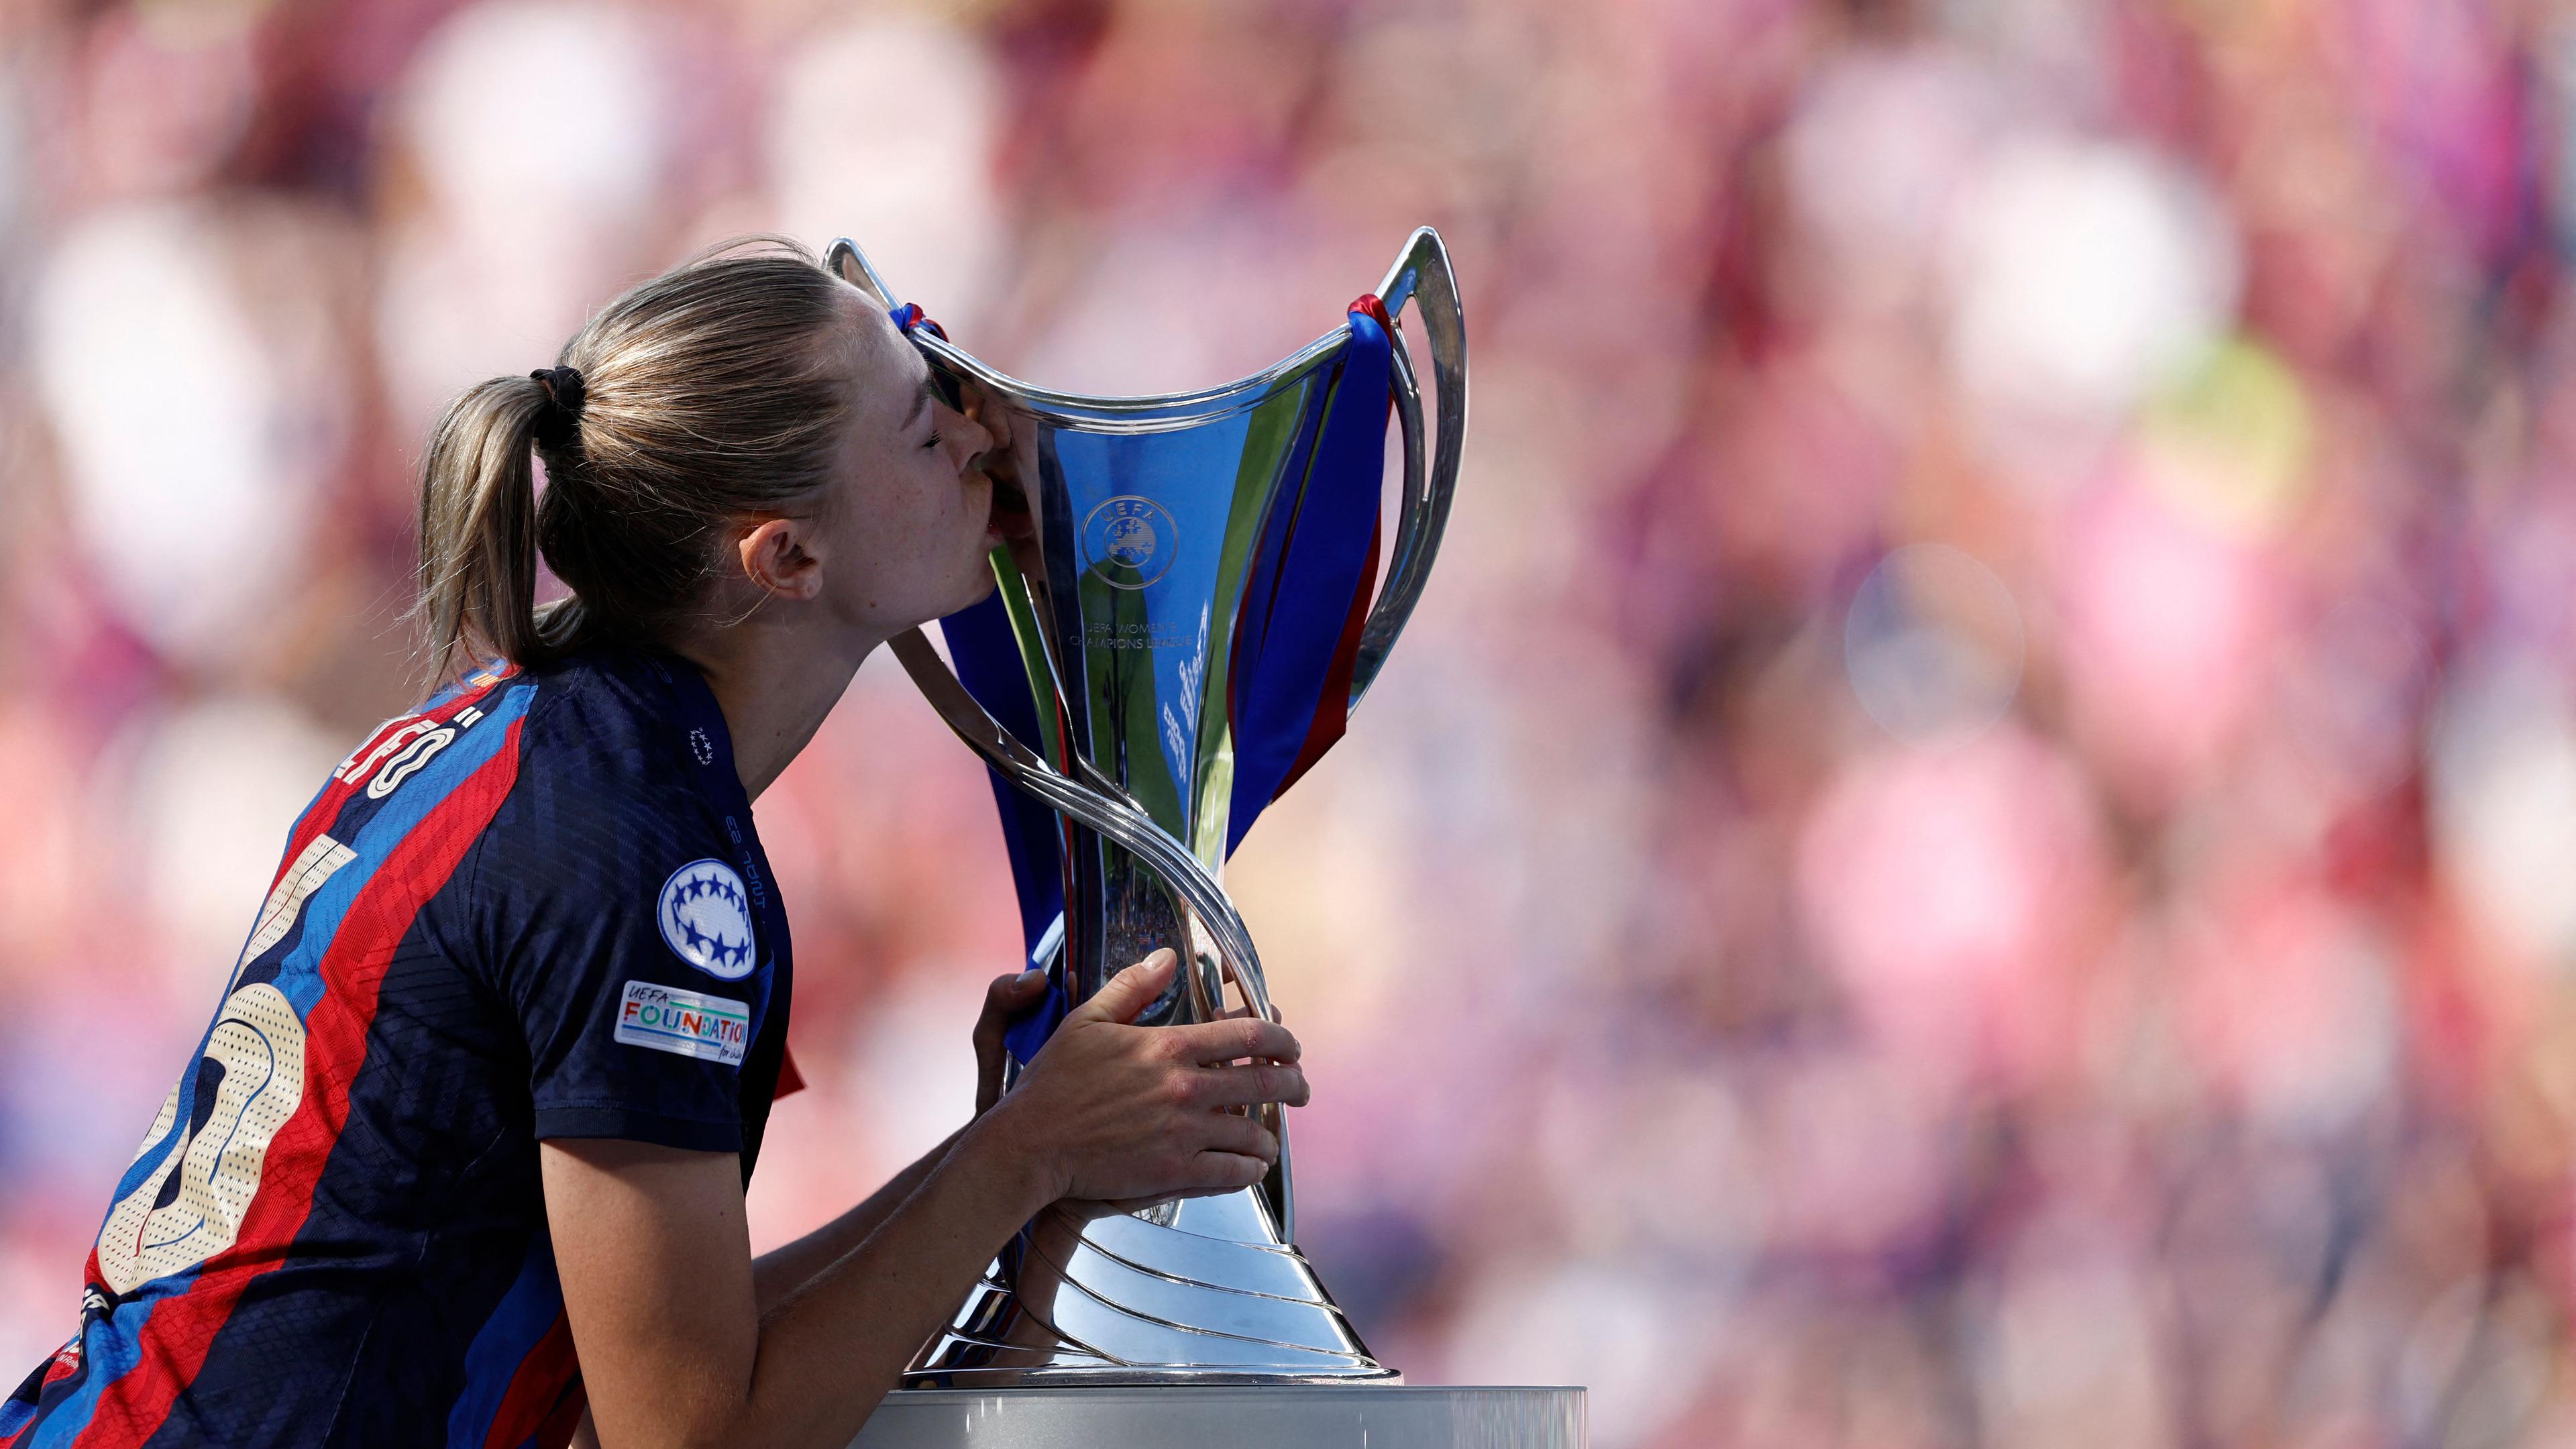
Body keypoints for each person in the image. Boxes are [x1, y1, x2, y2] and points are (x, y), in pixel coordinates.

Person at [0, 240, 1309, 1449]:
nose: (978, 440)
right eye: (925, 429)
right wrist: (1024, 1155)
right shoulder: (636, 854)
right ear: (786, 556)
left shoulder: (549, 741)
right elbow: (682, 1435)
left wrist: (1009, 1168)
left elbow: (629, 1356)